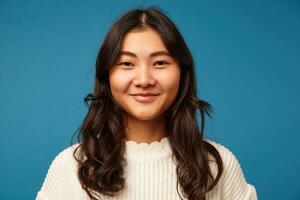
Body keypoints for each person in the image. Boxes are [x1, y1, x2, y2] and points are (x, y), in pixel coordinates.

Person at [36, 6, 257, 200]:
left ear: (182, 73)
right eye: (126, 63)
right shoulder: (72, 167)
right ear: (107, 76)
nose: (144, 80)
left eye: (160, 62)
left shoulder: (217, 166)